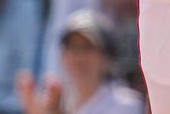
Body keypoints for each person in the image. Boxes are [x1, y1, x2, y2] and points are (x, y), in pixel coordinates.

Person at [16, 9, 144, 114]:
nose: (78, 57)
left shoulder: (126, 104)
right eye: (72, 47)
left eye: (87, 47)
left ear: (107, 58)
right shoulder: (58, 101)